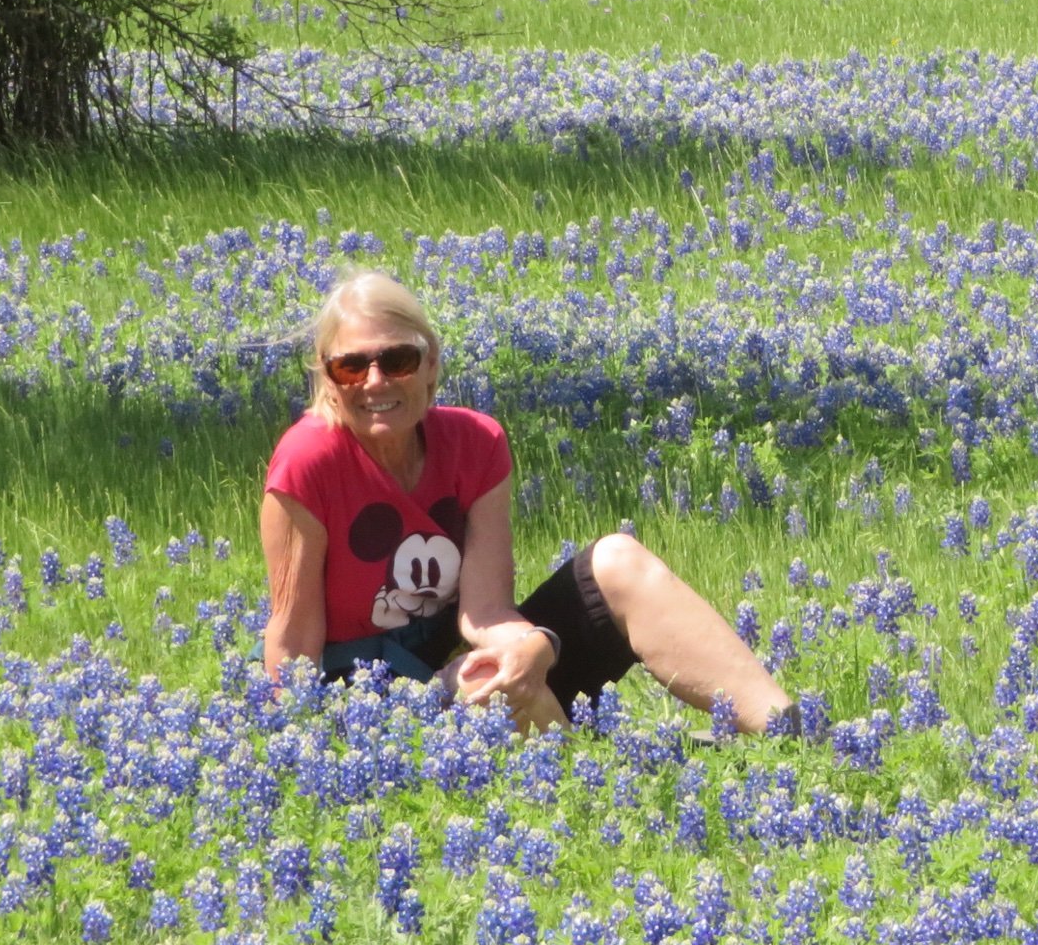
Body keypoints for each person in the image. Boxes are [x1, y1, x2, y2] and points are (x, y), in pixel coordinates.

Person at [260, 268, 792, 734]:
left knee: (617, 562)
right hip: (370, 706)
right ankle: (589, 793)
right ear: (328, 381)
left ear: (431, 364)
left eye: (397, 359)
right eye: (351, 367)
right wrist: (305, 742)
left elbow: (487, 611)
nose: (375, 381)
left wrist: (535, 647)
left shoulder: (475, 442)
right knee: (493, 683)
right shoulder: (309, 461)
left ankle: (793, 735)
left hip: (465, 664)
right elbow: (294, 639)